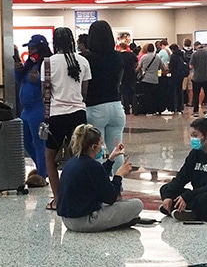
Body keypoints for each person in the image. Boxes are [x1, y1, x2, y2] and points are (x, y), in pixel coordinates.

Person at [57, 124, 143, 232]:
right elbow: (111, 197)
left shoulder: (73, 161)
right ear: (93, 147)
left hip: (67, 221)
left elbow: (97, 177)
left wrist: (111, 159)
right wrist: (119, 175)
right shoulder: (92, 165)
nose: (102, 147)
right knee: (137, 204)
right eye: (101, 144)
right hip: (85, 221)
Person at [41, 27, 92, 211]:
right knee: (79, 157)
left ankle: (57, 199)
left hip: (56, 115)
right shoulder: (83, 61)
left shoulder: (48, 63)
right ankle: (79, 197)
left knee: (50, 158)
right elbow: (85, 92)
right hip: (79, 114)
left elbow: (44, 92)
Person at [83, 20, 126, 173]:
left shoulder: (86, 58)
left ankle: (99, 183)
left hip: (95, 108)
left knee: (96, 150)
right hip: (116, 106)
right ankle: (118, 182)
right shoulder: (118, 57)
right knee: (117, 148)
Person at [14, 34, 53, 186]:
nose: (30, 50)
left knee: (38, 142)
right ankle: (43, 168)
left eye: (33, 47)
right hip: (26, 109)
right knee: (26, 141)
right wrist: (18, 71)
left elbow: (50, 85)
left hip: (38, 107)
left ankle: (42, 174)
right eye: (29, 47)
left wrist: (38, 81)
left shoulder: (45, 63)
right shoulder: (29, 63)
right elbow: (20, 80)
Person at [137, 43, 165, 116]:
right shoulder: (157, 57)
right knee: (154, 96)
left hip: (145, 79)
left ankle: (148, 111)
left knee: (146, 96)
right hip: (155, 79)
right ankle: (154, 110)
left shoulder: (143, 57)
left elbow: (139, 67)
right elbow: (163, 67)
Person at [190, 41, 207, 118]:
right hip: (206, 77)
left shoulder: (194, 54)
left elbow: (191, 66)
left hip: (196, 78)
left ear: (196, 46)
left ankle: (196, 111)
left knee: (196, 95)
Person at [119, 42, 138, 115]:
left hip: (123, 76)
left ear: (120, 47)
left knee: (124, 93)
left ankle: (126, 109)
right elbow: (136, 62)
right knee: (133, 93)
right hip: (132, 75)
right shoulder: (131, 54)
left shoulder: (119, 55)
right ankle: (134, 109)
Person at [167, 43, 185, 114]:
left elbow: (171, 67)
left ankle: (173, 108)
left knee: (173, 92)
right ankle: (180, 108)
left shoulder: (173, 56)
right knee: (179, 91)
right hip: (181, 75)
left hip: (174, 76)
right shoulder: (182, 55)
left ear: (172, 49)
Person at [181, 39, 194, 107]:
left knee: (183, 88)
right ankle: (190, 102)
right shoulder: (193, 51)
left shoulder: (182, 51)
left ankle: (182, 102)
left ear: (184, 44)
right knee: (190, 88)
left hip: (184, 72)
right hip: (192, 72)